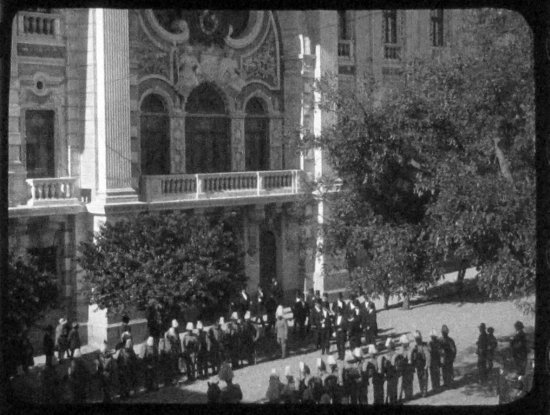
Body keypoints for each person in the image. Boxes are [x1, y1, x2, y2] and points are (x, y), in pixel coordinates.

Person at [411, 331, 431, 398]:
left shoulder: (424, 346)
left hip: (423, 365)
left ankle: (424, 392)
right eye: (416, 339)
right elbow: (413, 358)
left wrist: (427, 364)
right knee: (420, 379)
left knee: (424, 379)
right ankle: (422, 391)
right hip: (418, 366)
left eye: (418, 339)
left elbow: (428, 355)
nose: (417, 340)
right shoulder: (415, 347)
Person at [165, 319, 182, 384]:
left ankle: (176, 379)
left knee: (175, 365)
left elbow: (178, 341)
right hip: (171, 351)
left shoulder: (176, 332)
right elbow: (171, 342)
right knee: (173, 366)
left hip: (175, 351)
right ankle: (174, 380)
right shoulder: (170, 333)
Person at [399, 334, 414, 401]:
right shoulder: (403, 350)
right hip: (406, 369)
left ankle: (408, 396)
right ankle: (408, 395)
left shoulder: (409, 350)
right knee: (407, 383)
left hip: (407, 368)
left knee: (408, 382)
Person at [385, 338, 399, 404]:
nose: (387, 348)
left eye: (388, 347)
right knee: (392, 387)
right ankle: (393, 399)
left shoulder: (392, 355)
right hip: (392, 373)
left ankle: (392, 400)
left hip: (392, 373)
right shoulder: (390, 355)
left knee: (391, 387)